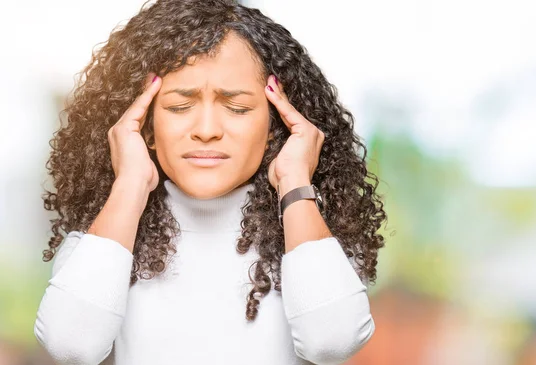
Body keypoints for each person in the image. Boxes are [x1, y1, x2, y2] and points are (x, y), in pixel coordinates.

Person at [34, 0, 387, 364]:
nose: (206, 131)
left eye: (236, 108)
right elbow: (72, 346)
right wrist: (130, 184)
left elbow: (331, 342)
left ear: (274, 126)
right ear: (146, 126)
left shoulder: (312, 236)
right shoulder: (104, 239)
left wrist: (294, 181)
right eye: (179, 107)